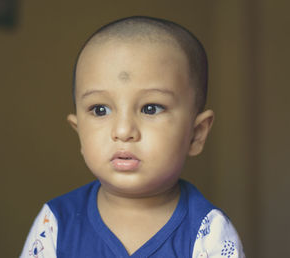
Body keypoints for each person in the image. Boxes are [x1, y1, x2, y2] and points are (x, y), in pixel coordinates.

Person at [20, 16, 245, 258]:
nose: (124, 130)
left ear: (196, 134)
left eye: (150, 108)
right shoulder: (55, 223)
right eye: (100, 110)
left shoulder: (208, 232)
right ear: (79, 132)